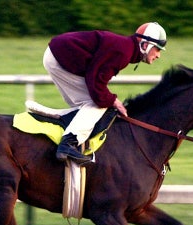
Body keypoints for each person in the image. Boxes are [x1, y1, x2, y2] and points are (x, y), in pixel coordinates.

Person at [43, 22, 167, 165]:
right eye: (157, 49)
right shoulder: (123, 52)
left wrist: (110, 100)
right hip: (59, 58)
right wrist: (113, 100)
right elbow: (96, 84)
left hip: (57, 55)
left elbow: (95, 79)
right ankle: (67, 144)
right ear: (146, 45)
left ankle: (72, 138)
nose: (158, 55)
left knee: (89, 105)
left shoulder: (125, 49)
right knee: (96, 104)